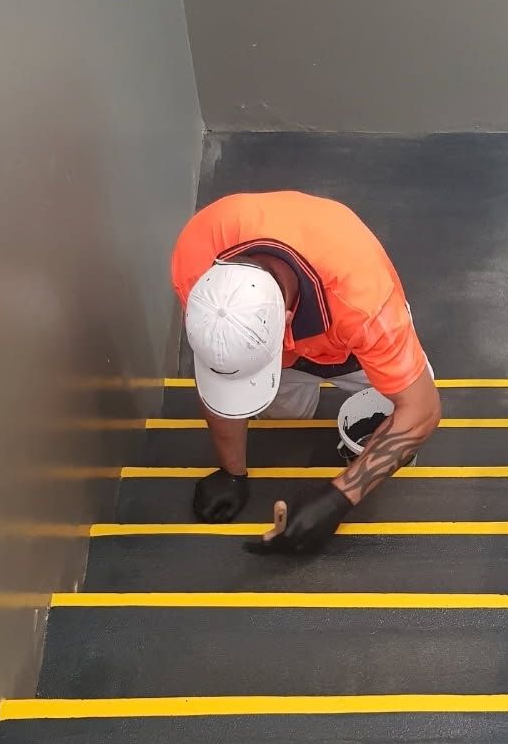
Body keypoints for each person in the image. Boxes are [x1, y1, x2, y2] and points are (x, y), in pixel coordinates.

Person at [170, 190, 442, 554]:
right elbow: (221, 366)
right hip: (289, 358)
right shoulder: (194, 262)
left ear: (285, 324)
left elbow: (421, 410)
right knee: (286, 418)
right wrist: (231, 472)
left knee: (404, 399)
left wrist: (340, 497)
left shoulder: (364, 301)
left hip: (354, 349)